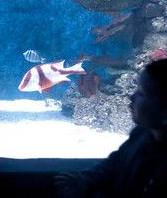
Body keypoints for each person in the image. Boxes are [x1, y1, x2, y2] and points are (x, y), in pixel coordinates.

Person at [54, 59, 167, 197]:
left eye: (141, 93)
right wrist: (84, 179)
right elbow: (113, 164)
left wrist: (87, 193)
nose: (131, 96)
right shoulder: (140, 134)